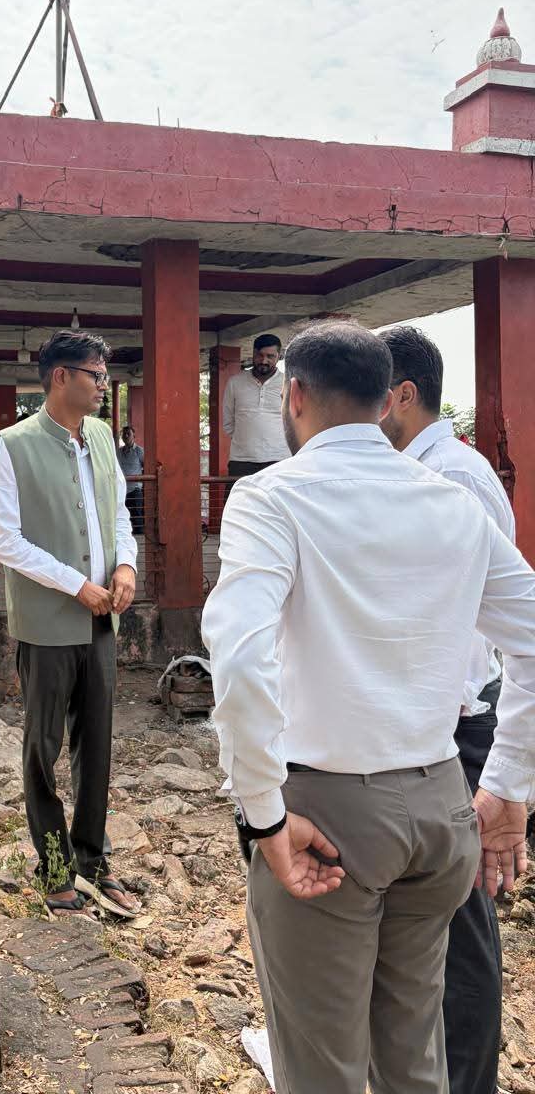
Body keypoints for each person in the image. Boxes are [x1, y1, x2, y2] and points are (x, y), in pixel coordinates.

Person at [202, 319, 535, 1094]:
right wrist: (508, 782)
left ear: (294, 397)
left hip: (328, 813)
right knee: (413, 1056)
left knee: (321, 1065)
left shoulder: (272, 498)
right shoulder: (451, 502)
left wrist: (265, 815)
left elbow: (242, 662)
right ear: (387, 401)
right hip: (440, 805)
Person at [380, 324, 513, 1094]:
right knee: (428, 916)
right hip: (426, 722)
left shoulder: (454, 476)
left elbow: (488, 614)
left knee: (463, 924)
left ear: (402, 395)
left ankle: (469, 1081)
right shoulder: (418, 471)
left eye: (369, 395)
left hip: (457, 725)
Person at [0, 331, 139, 918]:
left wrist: (125, 565)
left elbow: (118, 511)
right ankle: (53, 867)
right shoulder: (14, 445)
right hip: (48, 621)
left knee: (96, 745)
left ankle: (93, 859)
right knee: (43, 749)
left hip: (103, 621)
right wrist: (75, 584)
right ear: (61, 377)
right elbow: (5, 540)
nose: (103, 385)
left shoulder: (99, 436)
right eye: (95, 375)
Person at [222, 333, 289, 479]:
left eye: (270, 356)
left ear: (278, 356)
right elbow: (228, 423)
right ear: (253, 353)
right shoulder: (235, 382)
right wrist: (247, 442)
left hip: (280, 460)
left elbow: (295, 421)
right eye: (260, 355)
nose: (264, 361)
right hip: (241, 461)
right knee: (238, 495)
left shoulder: (288, 383)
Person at [116, 425, 145, 534]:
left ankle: (139, 539)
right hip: (121, 489)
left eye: (128, 434)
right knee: (123, 516)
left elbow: (146, 467)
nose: (126, 436)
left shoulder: (139, 451)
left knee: (137, 516)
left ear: (134, 436)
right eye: (124, 434)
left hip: (135, 490)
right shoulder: (118, 452)